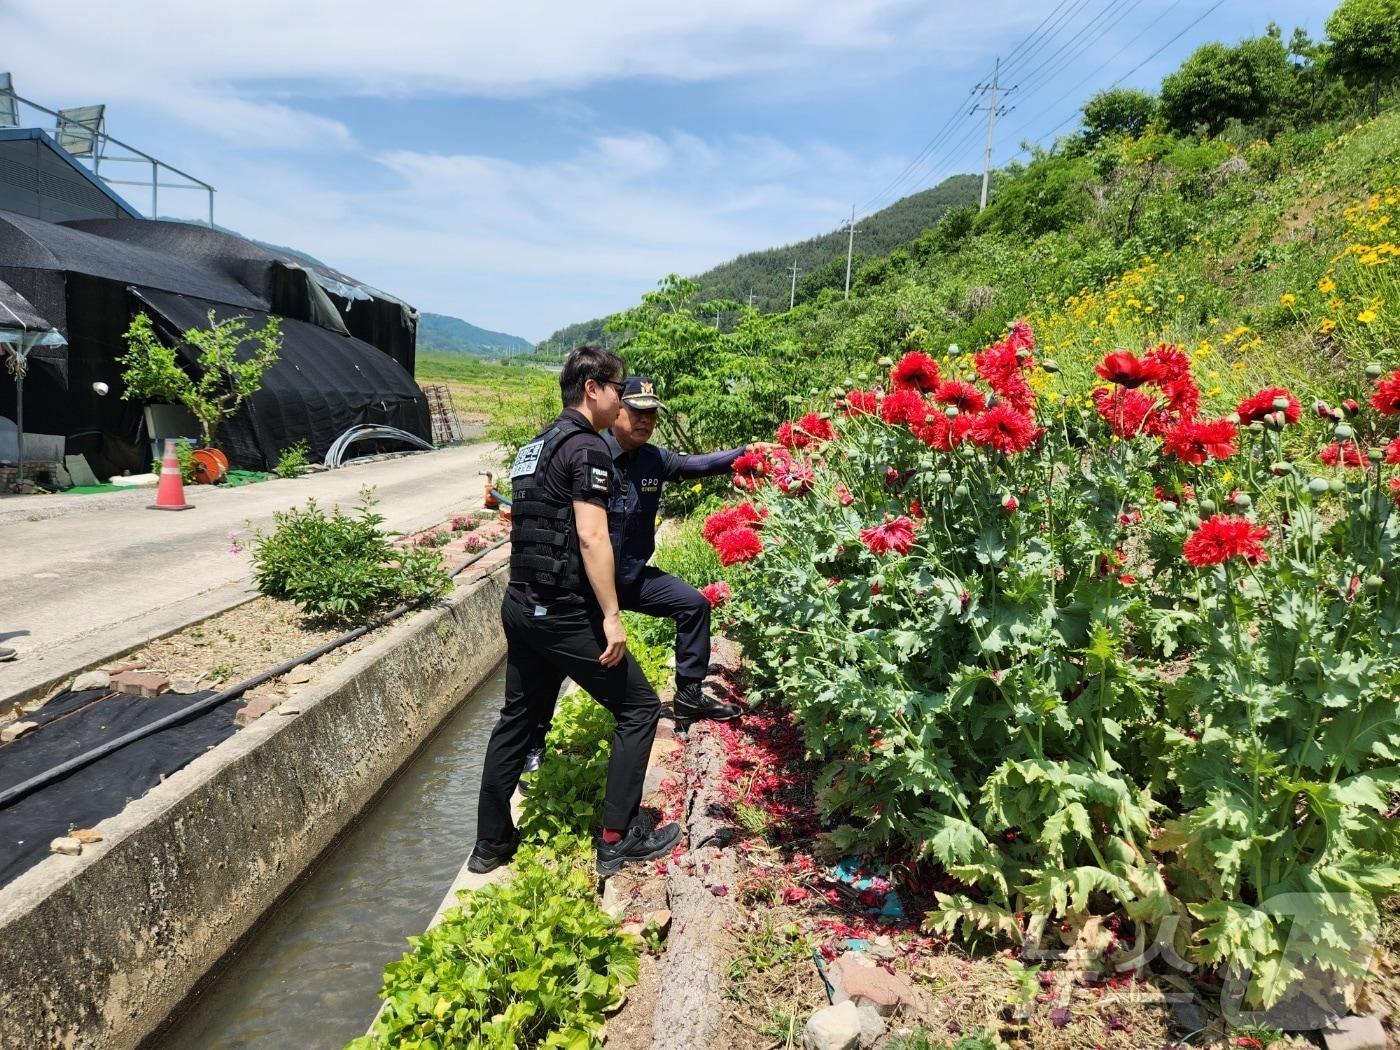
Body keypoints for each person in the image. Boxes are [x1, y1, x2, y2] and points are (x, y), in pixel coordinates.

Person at [467, 346, 679, 879]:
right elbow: (590, 536)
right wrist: (612, 615)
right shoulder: (588, 447)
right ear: (593, 388)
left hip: (520, 604)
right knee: (639, 708)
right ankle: (617, 839)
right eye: (617, 388)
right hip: (561, 613)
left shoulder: (536, 446)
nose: (622, 399)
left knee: (516, 720)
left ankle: (490, 845)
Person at [519, 376, 768, 778]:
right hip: (587, 588)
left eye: (651, 413)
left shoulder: (654, 459)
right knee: (552, 663)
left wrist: (746, 454)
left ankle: (688, 696)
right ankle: (533, 744)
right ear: (616, 409)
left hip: (632, 579)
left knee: (694, 605)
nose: (644, 420)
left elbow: (694, 464)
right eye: (636, 411)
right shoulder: (590, 453)